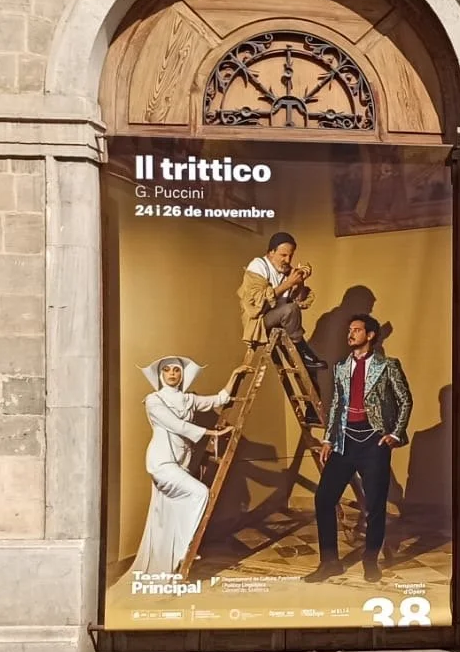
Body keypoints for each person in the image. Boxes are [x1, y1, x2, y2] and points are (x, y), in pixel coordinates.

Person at [309, 314, 412, 583]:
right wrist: (328, 439)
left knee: (375, 505)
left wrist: (394, 434)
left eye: (356, 330)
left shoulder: (388, 366)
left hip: (373, 443)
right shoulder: (341, 366)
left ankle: (370, 560)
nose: (350, 334)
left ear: (370, 335)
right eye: (349, 329)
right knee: (323, 499)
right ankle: (329, 561)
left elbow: (405, 401)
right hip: (344, 442)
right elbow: (335, 405)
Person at [131, 356, 242, 578]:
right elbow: (176, 425)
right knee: (200, 493)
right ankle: (185, 550)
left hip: (180, 464)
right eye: (167, 370)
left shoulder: (189, 399)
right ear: (160, 375)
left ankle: (170, 561)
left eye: (177, 370)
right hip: (161, 463)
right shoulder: (154, 400)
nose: (173, 374)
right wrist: (212, 433)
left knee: (171, 513)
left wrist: (236, 375)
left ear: (182, 375)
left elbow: (219, 399)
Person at [238, 231, 324, 370]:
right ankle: (301, 352)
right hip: (259, 321)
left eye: (290, 255)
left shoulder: (286, 270)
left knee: (291, 308)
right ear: (271, 252)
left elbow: (299, 301)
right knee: (290, 309)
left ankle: (301, 355)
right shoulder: (258, 266)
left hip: (280, 320)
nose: (288, 260)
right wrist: (288, 284)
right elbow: (257, 305)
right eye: (283, 255)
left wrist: (300, 282)